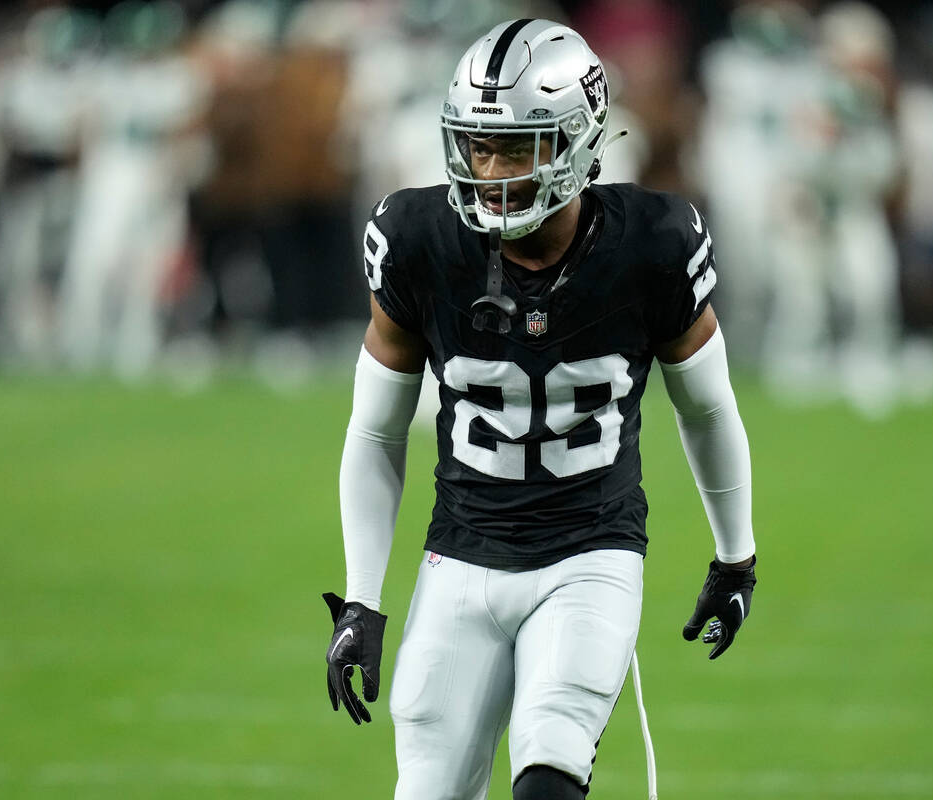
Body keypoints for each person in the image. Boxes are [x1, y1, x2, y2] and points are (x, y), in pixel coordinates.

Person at [322, 19, 758, 800]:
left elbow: (709, 408)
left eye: (517, 147)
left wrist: (736, 554)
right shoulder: (417, 238)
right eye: (477, 145)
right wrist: (361, 598)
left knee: (550, 764)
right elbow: (376, 428)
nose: (490, 171)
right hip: (459, 557)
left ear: (580, 139)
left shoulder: (652, 244)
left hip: (590, 553)